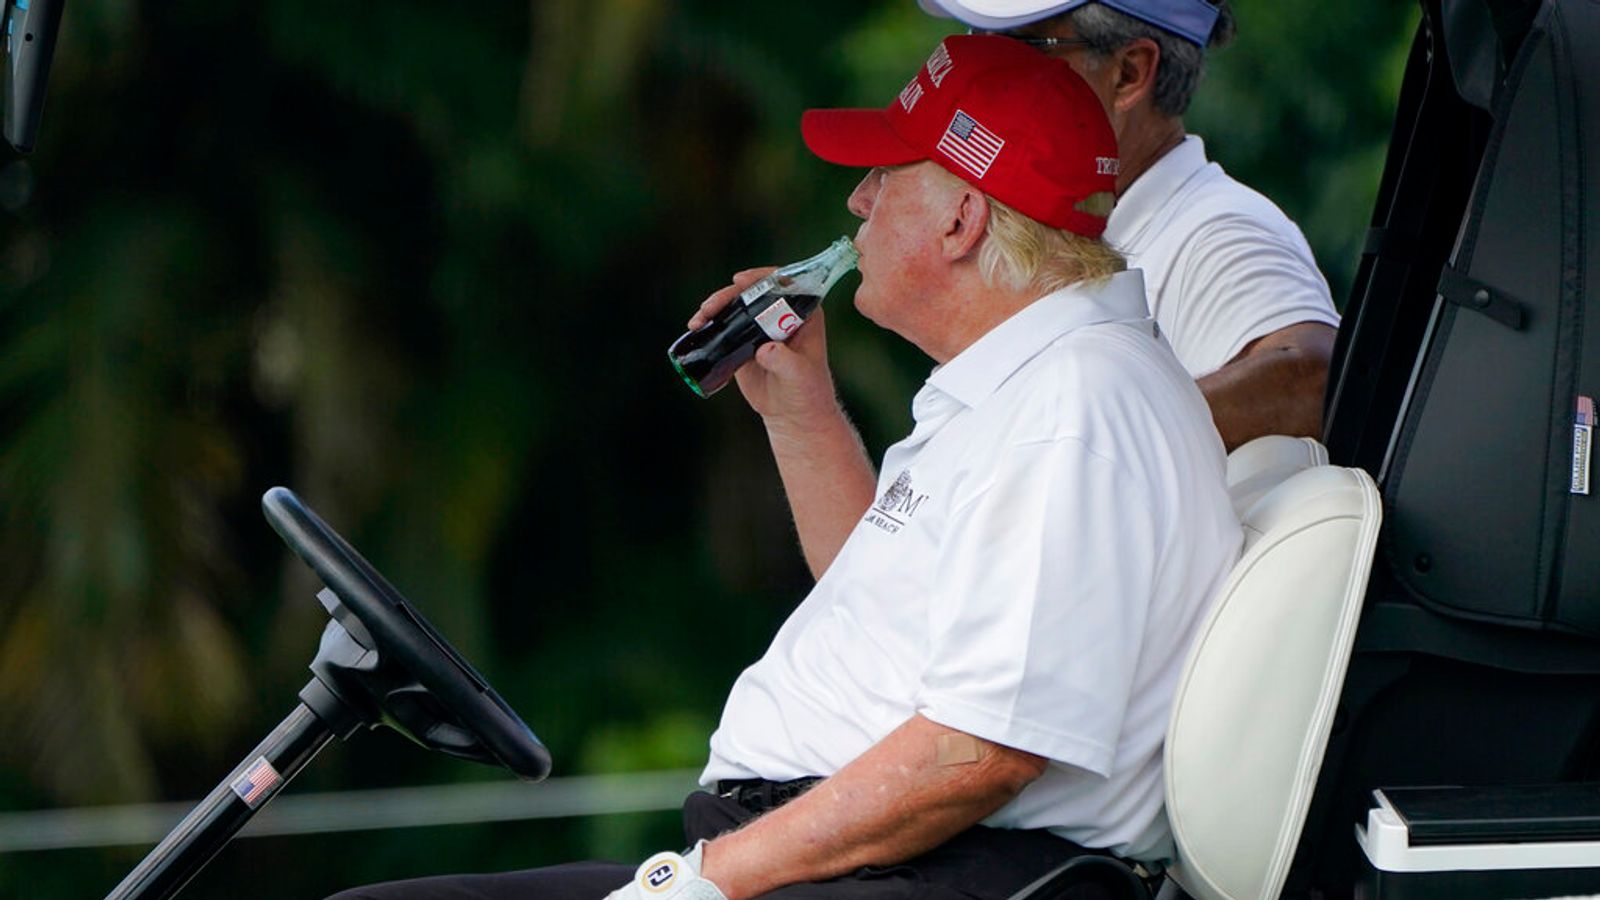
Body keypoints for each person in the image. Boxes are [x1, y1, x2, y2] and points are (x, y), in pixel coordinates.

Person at [328, 35, 1240, 900]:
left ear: (962, 219)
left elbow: (980, 753)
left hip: (914, 873)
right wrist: (801, 411)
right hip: (859, 866)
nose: (858, 202)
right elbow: (883, 613)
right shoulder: (1029, 383)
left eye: (884, 175)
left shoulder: (1071, 411)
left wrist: (707, 881)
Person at [922, 0, 1341, 452]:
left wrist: (1069, 451)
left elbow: (1313, 377)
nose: (978, 77)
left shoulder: (1220, 232)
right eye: (977, 43)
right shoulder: (1072, 230)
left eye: (1018, 48)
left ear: (1129, 74)